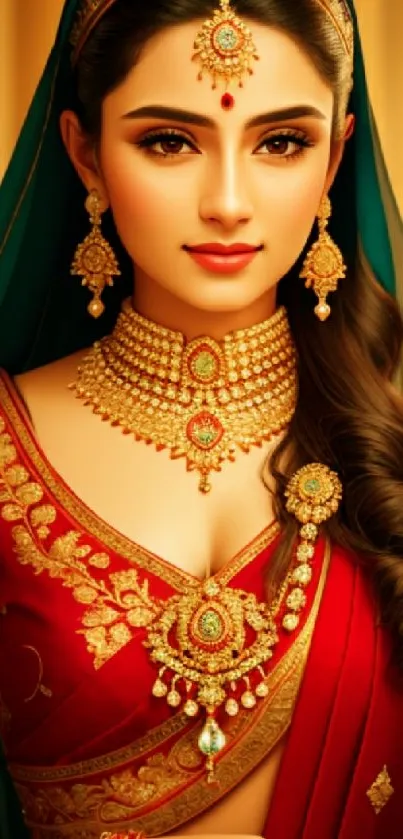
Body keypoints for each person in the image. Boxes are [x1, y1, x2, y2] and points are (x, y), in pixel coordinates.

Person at [0, 0, 402, 837]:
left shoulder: (391, 427)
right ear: (85, 154)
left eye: (280, 143)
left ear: (334, 157)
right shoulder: (8, 443)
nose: (226, 202)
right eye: (168, 142)